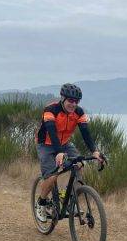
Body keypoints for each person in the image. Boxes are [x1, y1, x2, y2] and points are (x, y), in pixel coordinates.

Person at [35, 83, 102, 222]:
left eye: (76, 101)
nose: (73, 104)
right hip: (46, 144)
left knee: (79, 164)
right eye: (70, 100)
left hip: (65, 144)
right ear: (63, 98)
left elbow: (85, 133)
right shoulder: (51, 110)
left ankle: (69, 197)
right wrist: (58, 152)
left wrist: (95, 151)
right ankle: (41, 203)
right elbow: (52, 132)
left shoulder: (79, 112)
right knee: (52, 176)